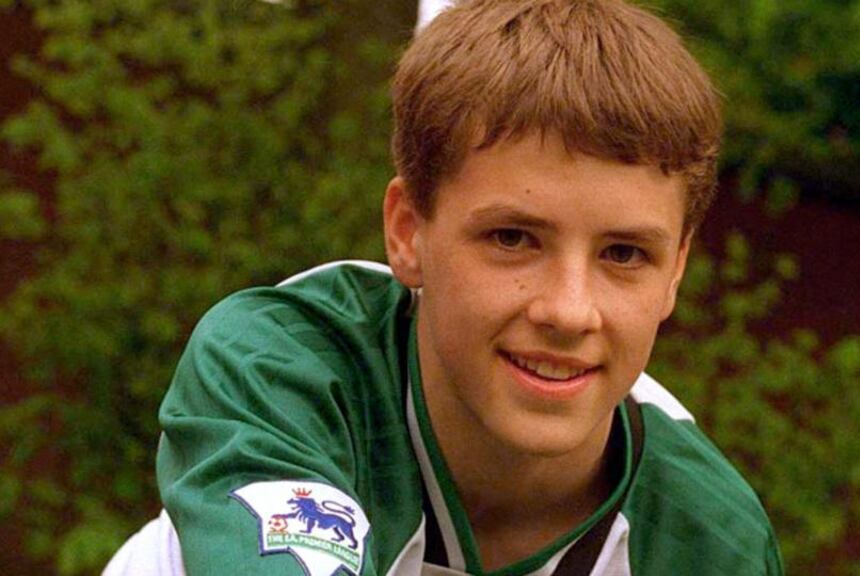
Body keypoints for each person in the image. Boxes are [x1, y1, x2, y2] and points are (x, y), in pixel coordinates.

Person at [104, 0, 784, 574]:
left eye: (625, 253)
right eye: (513, 239)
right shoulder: (285, 369)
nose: (569, 310)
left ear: (676, 272)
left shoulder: (710, 539)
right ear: (407, 232)